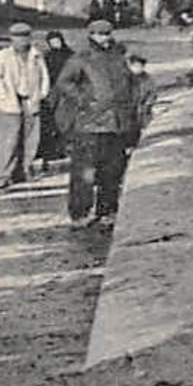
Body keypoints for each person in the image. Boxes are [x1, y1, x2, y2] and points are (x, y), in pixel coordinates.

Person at [55, 19, 136, 229]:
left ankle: (107, 210)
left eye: (107, 33)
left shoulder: (119, 56)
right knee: (85, 172)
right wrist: (83, 99)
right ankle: (80, 212)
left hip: (116, 123)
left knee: (112, 170)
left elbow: (131, 83)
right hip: (89, 124)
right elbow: (64, 82)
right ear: (90, 35)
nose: (104, 38)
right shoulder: (81, 58)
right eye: (99, 34)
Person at [0, 22, 51, 190]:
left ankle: (25, 170)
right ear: (11, 38)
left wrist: (42, 94)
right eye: (17, 37)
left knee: (30, 139)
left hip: (31, 99)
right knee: (9, 139)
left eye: (25, 37)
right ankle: (3, 175)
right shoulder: (3, 55)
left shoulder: (36, 55)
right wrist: (3, 94)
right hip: (11, 102)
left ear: (30, 37)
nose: (21, 41)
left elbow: (44, 75)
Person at [36, 29, 75, 173]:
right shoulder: (47, 57)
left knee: (67, 120)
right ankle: (54, 150)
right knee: (53, 120)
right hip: (53, 92)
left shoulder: (71, 55)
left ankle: (67, 148)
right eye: (52, 42)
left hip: (67, 92)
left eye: (57, 41)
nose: (55, 44)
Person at [127, 53, 157, 133]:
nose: (138, 68)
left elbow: (152, 93)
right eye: (136, 66)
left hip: (142, 108)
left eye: (141, 66)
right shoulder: (126, 78)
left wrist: (148, 103)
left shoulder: (147, 78)